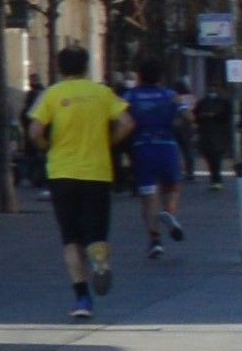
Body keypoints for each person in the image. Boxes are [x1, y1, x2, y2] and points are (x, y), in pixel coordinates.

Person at [25, 43, 130, 322]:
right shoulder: (102, 93)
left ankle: (82, 298)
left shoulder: (52, 94)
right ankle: (100, 260)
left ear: (60, 67)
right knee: (96, 233)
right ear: (86, 66)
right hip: (97, 172)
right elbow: (127, 123)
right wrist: (110, 141)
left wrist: (46, 145)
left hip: (62, 173)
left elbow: (34, 130)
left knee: (70, 238)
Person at [122, 67, 189, 256]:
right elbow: (188, 116)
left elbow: (121, 118)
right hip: (167, 145)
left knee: (149, 196)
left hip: (143, 147)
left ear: (140, 77)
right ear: (160, 78)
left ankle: (155, 240)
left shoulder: (130, 96)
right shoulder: (170, 95)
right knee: (173, 187)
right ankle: (168, 212)